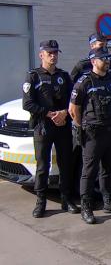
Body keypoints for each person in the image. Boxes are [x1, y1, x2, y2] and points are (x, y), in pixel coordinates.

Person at [68, 47, 111, 224]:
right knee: (89, 171)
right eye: (103, 59)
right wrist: (81, 126)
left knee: (108, 170)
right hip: (93, 133)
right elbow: (73, 108)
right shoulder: (85, 82)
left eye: (108, 58)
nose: (107, 61)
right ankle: (86, 207)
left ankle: (109, 201)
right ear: (94, 61)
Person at [22, 40, 79, 218]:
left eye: (55, 53)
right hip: (43, 127)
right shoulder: (33, 76)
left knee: (65, 164)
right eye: (49, 53)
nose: (53, 56)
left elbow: (73, 99)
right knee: (42, 166)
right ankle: (41, 201)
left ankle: (66, 199)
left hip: (62, 126)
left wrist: (63, 113)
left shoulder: (64, 75)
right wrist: (49, 114)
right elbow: (28, 103)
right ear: (41, 55)